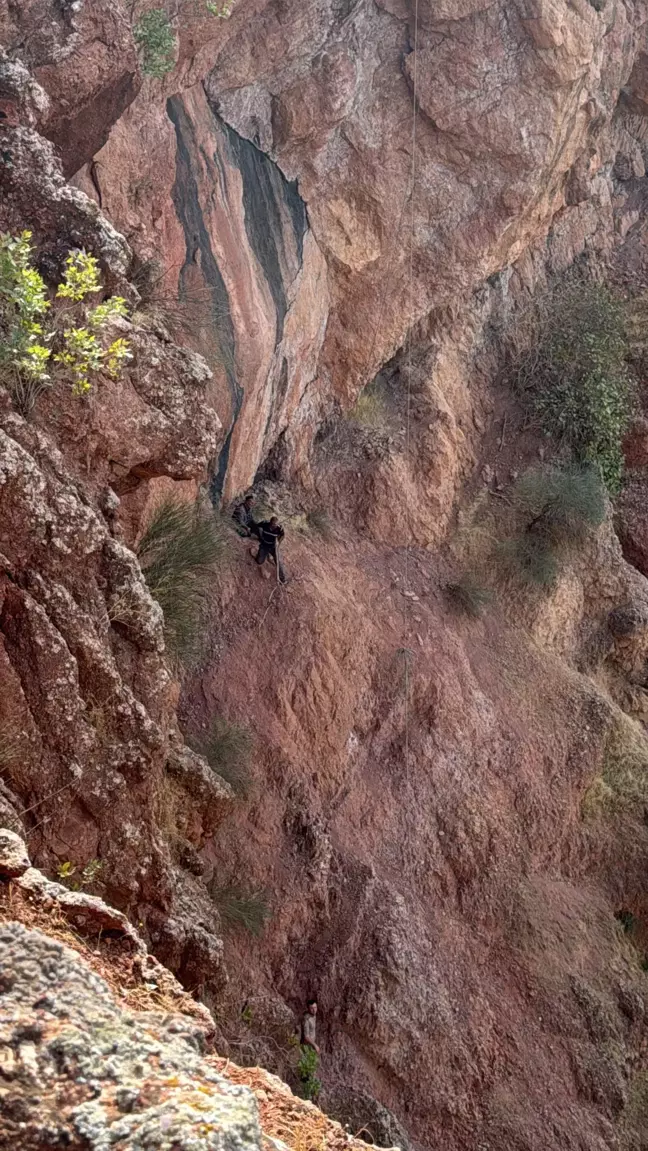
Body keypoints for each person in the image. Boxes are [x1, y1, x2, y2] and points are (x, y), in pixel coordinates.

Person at [256, 516, 287, 583]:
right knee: (259, 561)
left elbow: (283, 535)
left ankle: (283, 579)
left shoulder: (279, 528)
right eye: (273, 524)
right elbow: (257, 527)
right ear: (270, 522)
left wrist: (278, 542)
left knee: (278, 561)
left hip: (273, 547)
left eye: (275, 525)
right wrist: (260, 536)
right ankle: (266, 555)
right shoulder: (264, 524)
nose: (274, 526)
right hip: (264, 545)